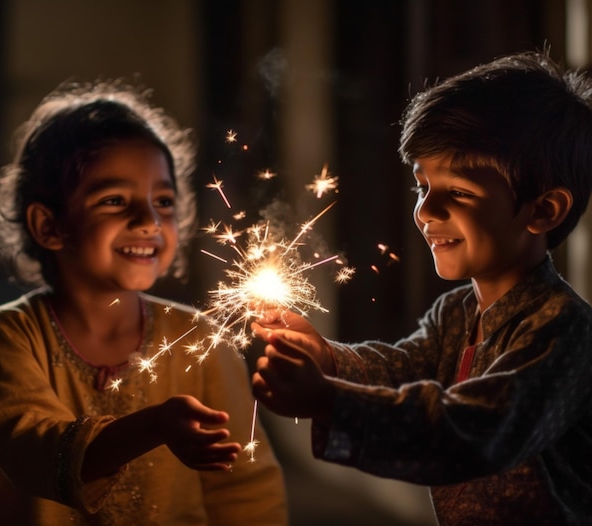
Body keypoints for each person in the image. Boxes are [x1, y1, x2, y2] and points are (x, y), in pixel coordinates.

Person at [251, 50, 592, 525]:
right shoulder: (456, 313)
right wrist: (325, 357)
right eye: (421, 186)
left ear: (543, 210)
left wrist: (329, 399)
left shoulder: (564, 332)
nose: (427, 212)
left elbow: (473, 432)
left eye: (458, 192)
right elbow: (403, 371)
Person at [0, 81, 287, 525]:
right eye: (114, 200)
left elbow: (246, 488)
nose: (148, 221)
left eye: (163, 201)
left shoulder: (201, 342)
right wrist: (153, 427)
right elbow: (31, 448)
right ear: (48, 225)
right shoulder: (11, 334)